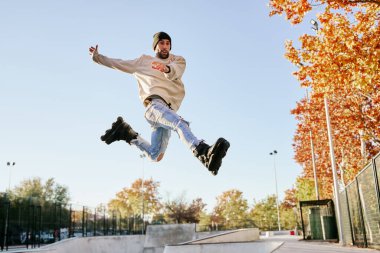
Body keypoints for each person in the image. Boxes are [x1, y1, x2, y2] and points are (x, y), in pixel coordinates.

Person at [89, 32, 229, 175]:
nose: (165, 47)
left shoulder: (178, 60)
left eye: (167, 44)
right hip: (154, 106)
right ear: (155, 46)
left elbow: (175, 70)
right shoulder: (143, 61)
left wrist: (166, 68)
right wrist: (97, 57)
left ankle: (127, 133)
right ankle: (202, 151)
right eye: (161, 43)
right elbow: (119, 63)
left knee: (156, 155)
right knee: (180, 124)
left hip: (168, 110)